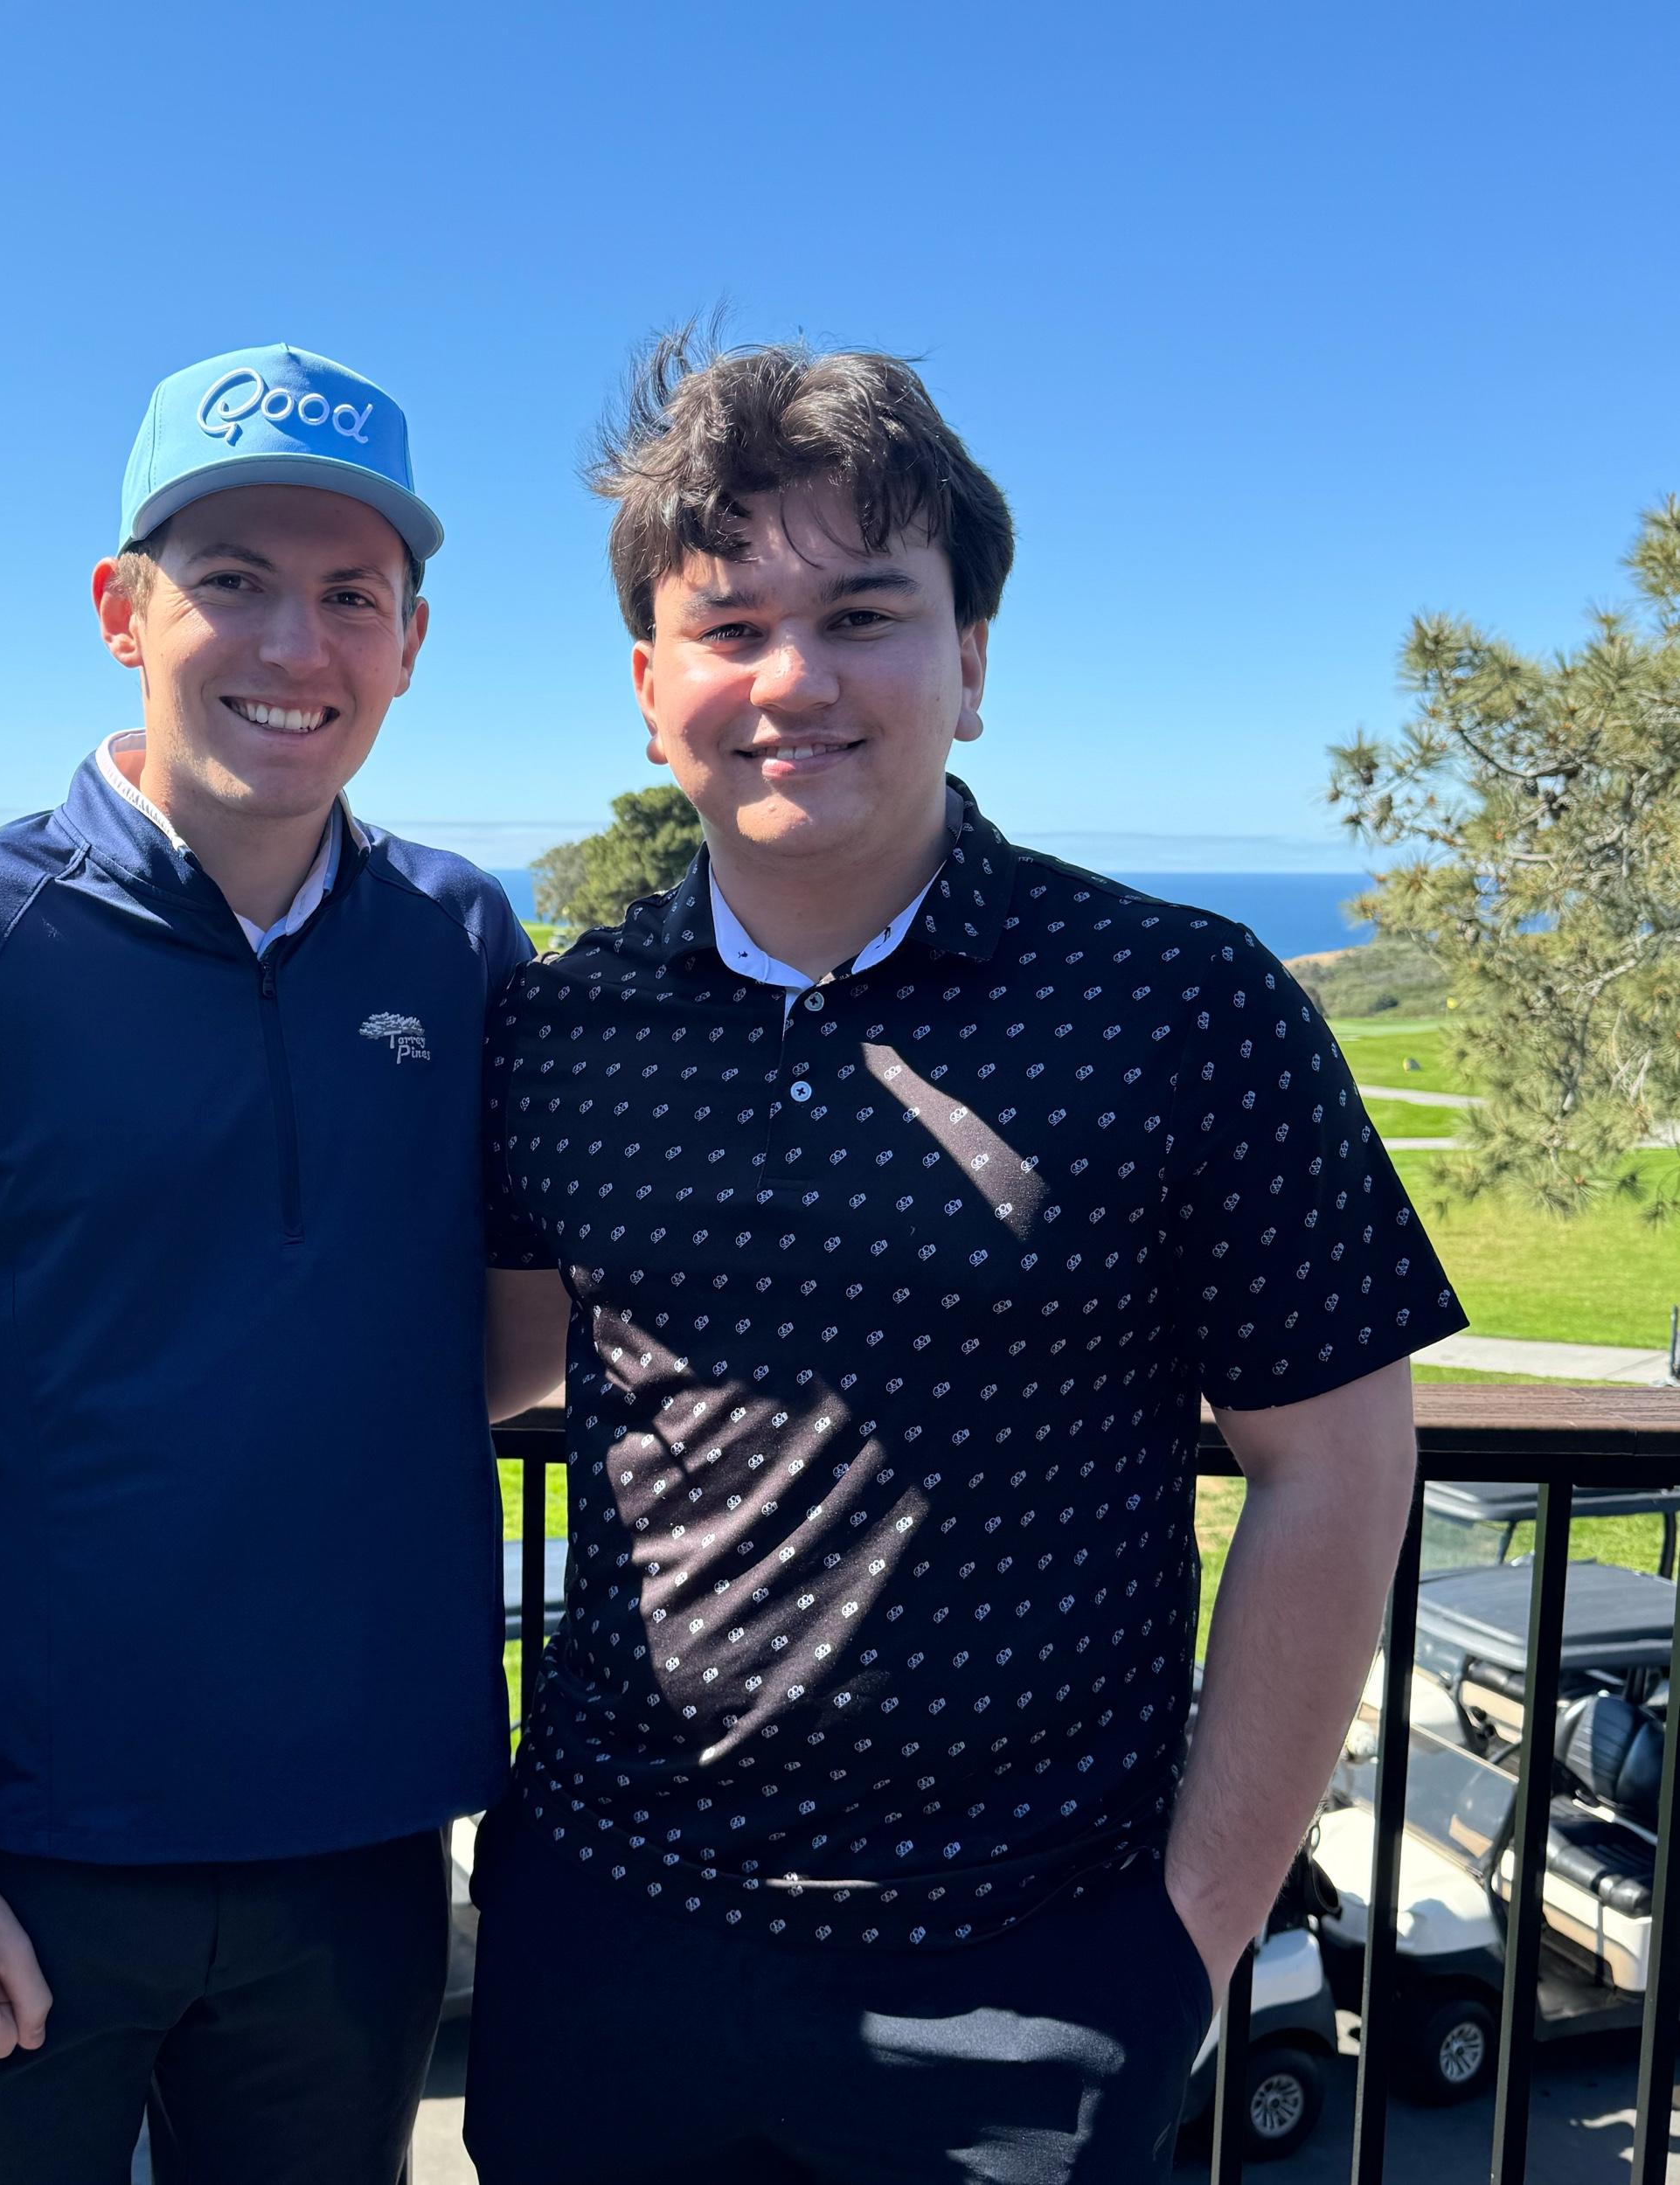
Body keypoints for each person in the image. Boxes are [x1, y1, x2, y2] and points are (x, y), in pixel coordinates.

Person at [468, 331, 1469, 2184]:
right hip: (601, 1933)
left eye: (863, 613)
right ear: (648, 686)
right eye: (729, 624)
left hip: (1023, 1975)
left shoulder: (1180, 1004)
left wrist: (1185, 1943)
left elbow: (1333, 1466)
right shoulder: (561, 1026)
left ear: (972, 664)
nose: (794, 678)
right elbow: (491, 1363)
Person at [0, 342, 554, 2183]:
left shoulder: (458, 937)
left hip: (360, 1848)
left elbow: (502, 1323)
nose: (295, 645)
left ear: (412, 641)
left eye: (352, 595)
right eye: (232, 580)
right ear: (123, 610)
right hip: (13, 1856)